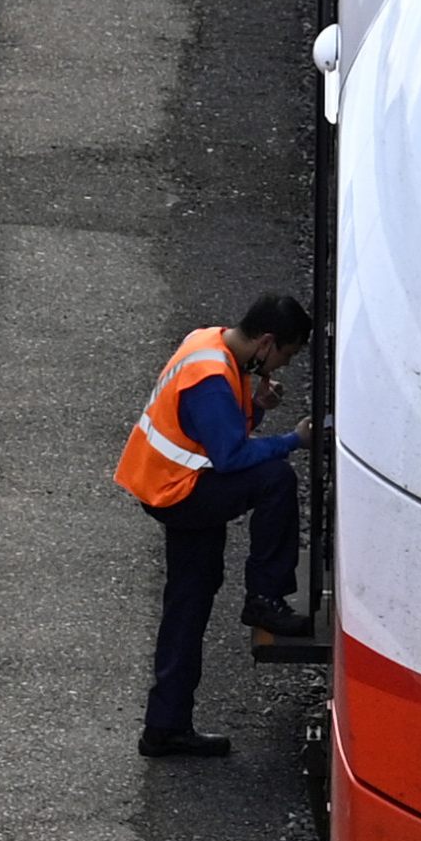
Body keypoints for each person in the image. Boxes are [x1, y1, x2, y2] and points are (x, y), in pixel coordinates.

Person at [113, 292, 312, 758]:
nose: (280, 366)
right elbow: (231, 457)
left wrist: (258, 405)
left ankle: (165, 726)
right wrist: (293, 440)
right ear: (266, 342)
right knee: (277, 479)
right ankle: (264, 597)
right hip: (181, 493)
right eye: (284, 355)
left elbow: (218, 430)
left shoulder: (210, 344)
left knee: (190, 599)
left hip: (171, 484)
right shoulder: (211, 377)